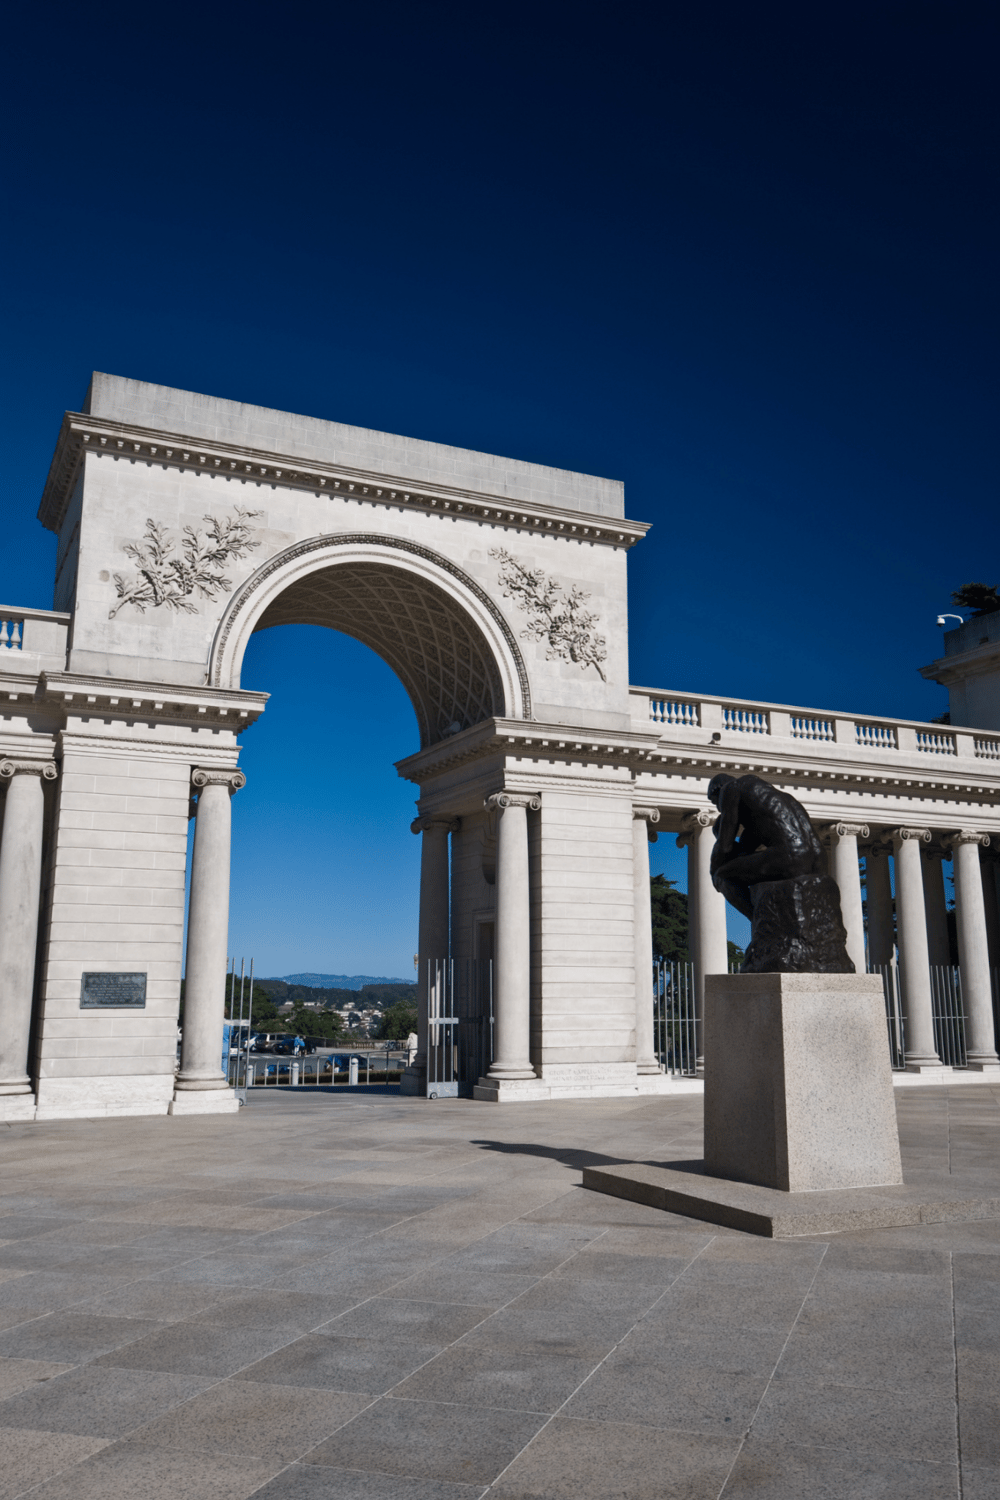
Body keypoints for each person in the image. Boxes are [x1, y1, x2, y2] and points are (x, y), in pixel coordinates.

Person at [707, 772, 823, 922]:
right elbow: (746, 848)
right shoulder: (778, 798)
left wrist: (714, 871)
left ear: (718, 790)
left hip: (790, 856)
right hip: (815, 861)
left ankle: (760, 922)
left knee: (722, 876)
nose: (718, 808)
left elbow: (725, 845)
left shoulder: (730, 789)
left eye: (715, 802)